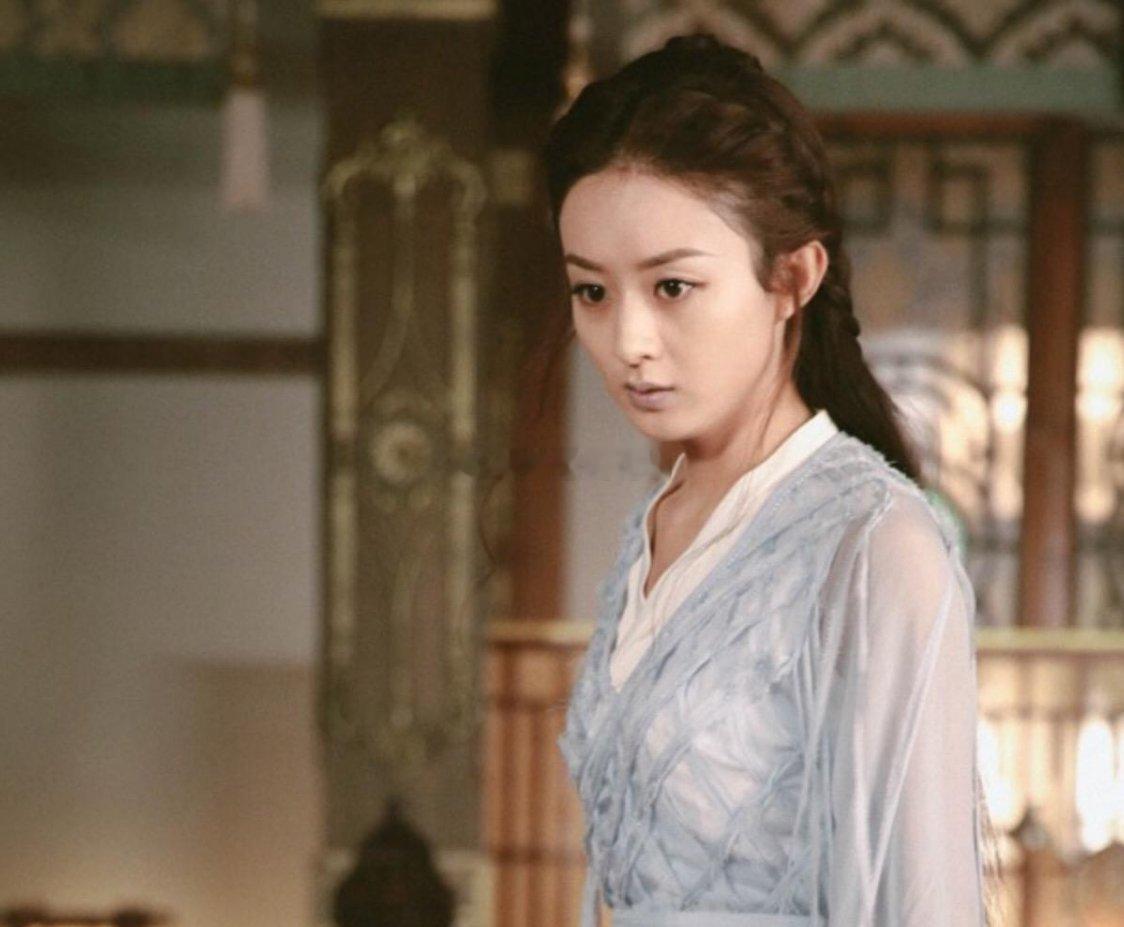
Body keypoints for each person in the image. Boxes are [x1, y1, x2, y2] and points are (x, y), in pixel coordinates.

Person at [546, 33, 1001, 927]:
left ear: (793, 277)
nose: (628, 341)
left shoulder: (877, 545)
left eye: (672, 287)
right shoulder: (658, 524)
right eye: (592, 292)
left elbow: (924, 906)